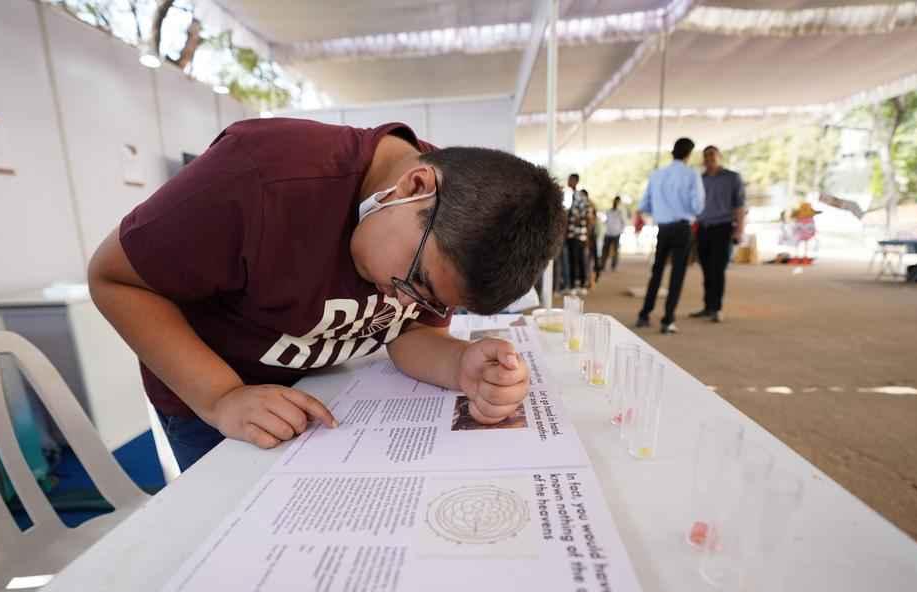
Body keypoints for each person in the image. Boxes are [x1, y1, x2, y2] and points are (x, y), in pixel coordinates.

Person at [89, 119, 566, 470]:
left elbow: (407, 333)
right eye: (412, 282)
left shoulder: (455, 222)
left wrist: (458, 362)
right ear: (413, 186)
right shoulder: (260, 177)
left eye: (433, 301)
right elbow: (115, 279)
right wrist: (221, 398)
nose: (405, 303)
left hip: (313, 389)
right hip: (209, 392)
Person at [635, 138, 705, 334]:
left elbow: (644, 205)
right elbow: (697, 206)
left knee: (657, 272)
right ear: (688, 154)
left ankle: (644, 314)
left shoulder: (657, 174)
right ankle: (667, 320)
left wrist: (662, 209)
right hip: (682, 228)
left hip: (663, 228)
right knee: (677, 274)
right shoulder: (692, 174)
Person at [691, 146, 745, 323]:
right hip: (703, 228)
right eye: (706, 156)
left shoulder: (732, 178)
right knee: (706, 268)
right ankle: (707, 306)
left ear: (719, 157)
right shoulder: (700, 179)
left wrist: (739, 230)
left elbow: (739, 205)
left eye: (712, 156)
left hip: (723, 228)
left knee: (718, 269)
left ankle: (717, 308)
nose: (709, 159)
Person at [564, 174, 589, 294]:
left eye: (570, 179)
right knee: (573, 259)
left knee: (578, 259)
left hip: (578, 234)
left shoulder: (580, 196)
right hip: (571, 234)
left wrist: (574, 218)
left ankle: (581, 285)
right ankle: (575, 285)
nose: (568, 181)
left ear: (575, 181)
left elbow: (585, 213)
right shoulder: (570, 196)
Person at [580, 189, 600, 284]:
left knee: (589, 258)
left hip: (590, 236)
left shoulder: (587, 205)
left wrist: (588, 238)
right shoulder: (590, 204)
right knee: (591, 258)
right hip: (591, 235)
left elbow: (590, 222)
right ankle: (591, 278)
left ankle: (590, 279)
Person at [602, 196, 625, 272]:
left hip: (616, 234)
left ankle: (613, 266)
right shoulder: (608, 211)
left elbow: (623, 223)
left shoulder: (620, 212)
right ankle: (603, 265)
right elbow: (605, 221)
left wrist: (620, 231)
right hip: (608, 233)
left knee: (615, 250)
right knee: (605, 250)